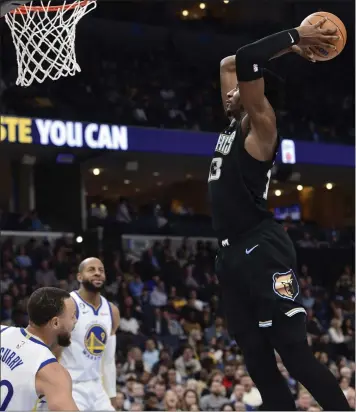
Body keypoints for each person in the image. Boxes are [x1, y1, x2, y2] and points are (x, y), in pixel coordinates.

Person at [208, 18, 350, 411]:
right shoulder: (235, 122)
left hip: (261, 245)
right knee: (255, 356)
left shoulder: (262, 128)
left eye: (244, 89)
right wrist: (293, 50)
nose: (232, 91)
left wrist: (297, 37)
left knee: (293, 353)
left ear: (260, 97)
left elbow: (246, 57)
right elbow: (227, 64)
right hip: (230, 254)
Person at [48, 257, 120, 411]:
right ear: (79, 277)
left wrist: (111, 396)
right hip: (70, 385)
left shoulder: (112, 310)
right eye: (91, 270)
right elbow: (52, 350)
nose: (97, 273)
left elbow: (108, 360)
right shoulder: (68, 305)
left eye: (101, 270)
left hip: (96, 387)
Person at [0, 287, 78, 411]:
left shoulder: (2, 331)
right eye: (72, 316)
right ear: (55, 323)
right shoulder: (52, 372)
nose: (75, 320)